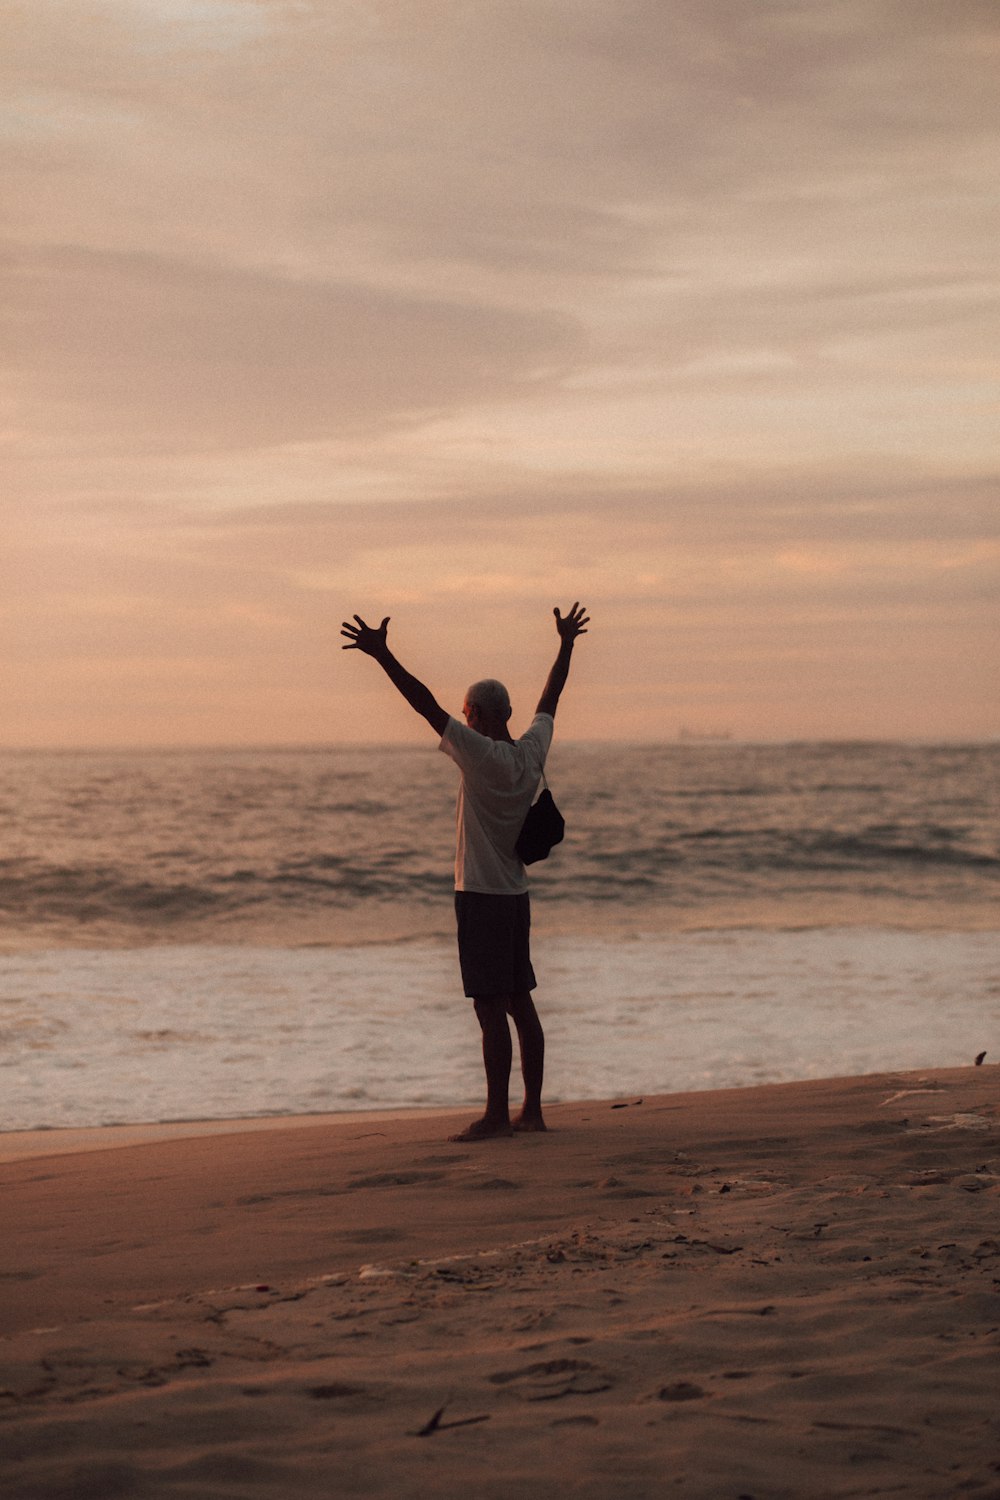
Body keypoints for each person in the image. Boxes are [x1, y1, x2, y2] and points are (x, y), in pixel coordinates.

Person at [340, 602, 589, 1141]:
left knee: (488, 1008)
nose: (463, 717)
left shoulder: (479, 754)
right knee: (520, 1001)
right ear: (508, 711)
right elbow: (551, 698)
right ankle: (534, 1112)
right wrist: (565, 644)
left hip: (480, 894)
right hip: (517, 895)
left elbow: (425, 706)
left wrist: (383, 655)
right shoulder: (530, 753)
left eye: (466, 712)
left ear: (476, 715)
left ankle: (497, 1117)